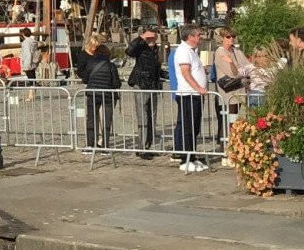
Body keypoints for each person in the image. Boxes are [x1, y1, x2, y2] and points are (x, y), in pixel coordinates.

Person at [169, 25, 208, 171]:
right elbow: (186, 73)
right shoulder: (183, 51)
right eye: (198, 35)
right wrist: (198, 88)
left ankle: (192, 156)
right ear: (190, 36)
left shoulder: (192, 51)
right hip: (187, 94)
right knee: (188, 127)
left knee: (195, 126)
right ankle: (185, 159)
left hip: (195, 95)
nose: (200, 37)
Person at [128, 26, 167, 159]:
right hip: (141, 83)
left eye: (154, 37)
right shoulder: (141, 47)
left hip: (153, 85)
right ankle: (142, 147)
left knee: (152, 116)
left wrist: (169, 75)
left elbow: (157, 68)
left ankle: (148, 145)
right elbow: (129, 51)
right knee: (143, 115)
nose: (152, 39)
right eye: (150, 37)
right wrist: (142, 38)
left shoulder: (156, 49)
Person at [79, 36, 120, 150]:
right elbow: (117, 83)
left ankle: (90, 144)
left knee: (91, 119)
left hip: (92, 93)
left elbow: (85, 78)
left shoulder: (90, 63)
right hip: (107, 95)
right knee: (106, 120)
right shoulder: (111, 65)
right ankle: (105, 145)